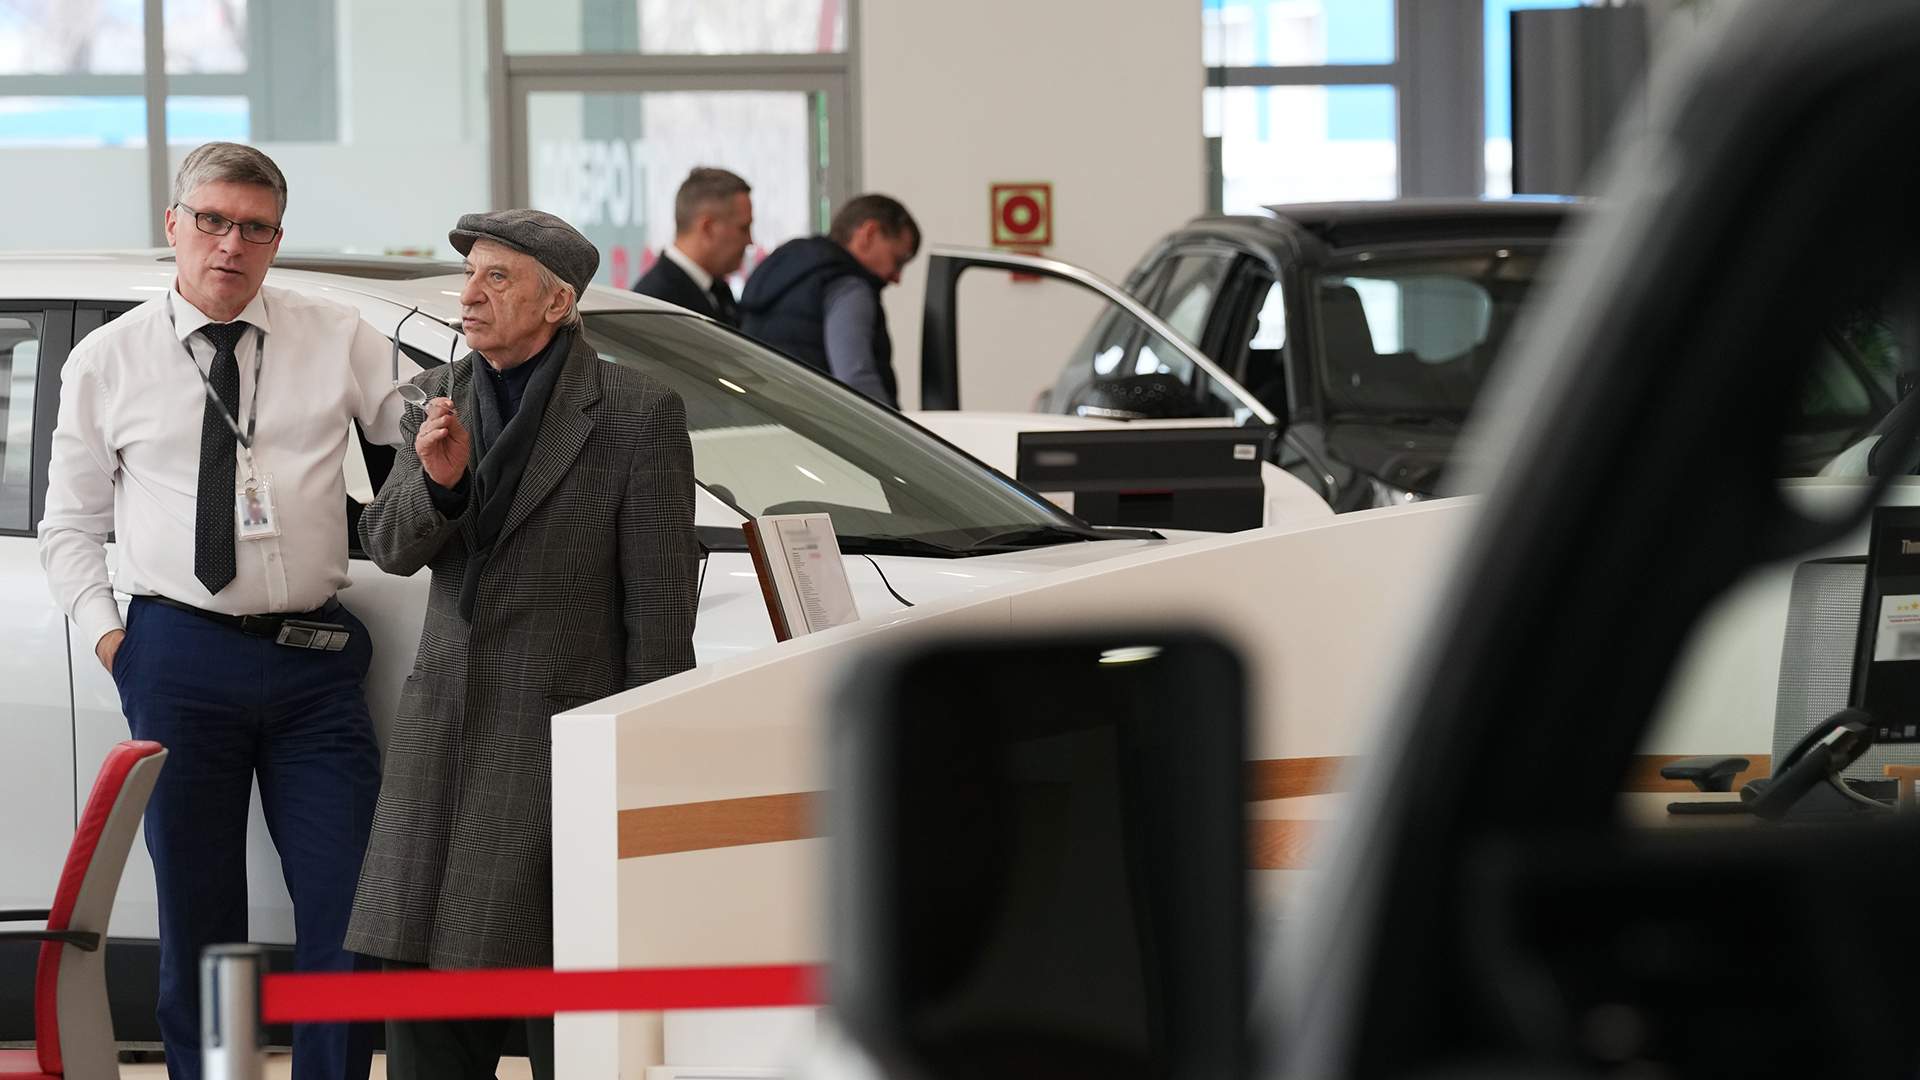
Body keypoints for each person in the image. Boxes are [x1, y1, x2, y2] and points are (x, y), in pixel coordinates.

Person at [38, 142, 404, 1080]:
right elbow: (68, 527)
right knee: (200, 914)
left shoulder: (341, 338)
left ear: (277, 239)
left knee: (348, 902)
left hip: (315, 662)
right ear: (174, 225)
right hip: (179, 656)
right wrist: (118, 645)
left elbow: (426, 464)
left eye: (254, 228)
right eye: (212, 221)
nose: (231, 244)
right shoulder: (108, 360)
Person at [345, 209, 700, 1080]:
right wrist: (439, 485)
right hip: (441, 741)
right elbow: (389, 546)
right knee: (424, 999)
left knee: (566, 1009)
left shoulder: (635, 412)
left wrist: (643, 780)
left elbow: (659, 617)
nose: (470, 293)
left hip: (559, 749)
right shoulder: (434, 394)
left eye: (497, 277)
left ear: (557, 302)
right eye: (469, 273)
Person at [739, 193, 921, 407]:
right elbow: (856, 379)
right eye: (897, 261)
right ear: (869, 234)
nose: (897, 278)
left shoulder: (778, 269)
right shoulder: (848, 286)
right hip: (810, 419)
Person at [632, 166, 754, 327]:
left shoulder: (717, 290)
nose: (750, 241)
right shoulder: (653, 304)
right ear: (708, 228)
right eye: (743, 228)